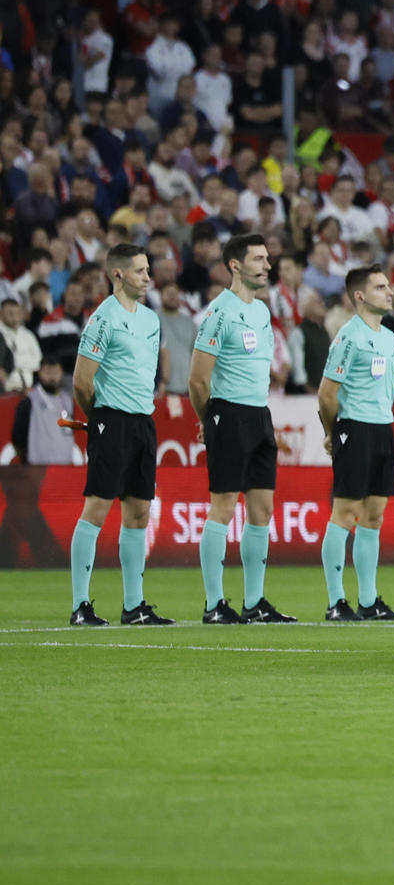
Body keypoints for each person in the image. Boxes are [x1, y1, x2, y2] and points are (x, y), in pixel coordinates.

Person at [191, 233, 294, 624]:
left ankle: (254, 602)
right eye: (258, 259)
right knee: (223, 506)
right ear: (235, 265)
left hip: (259, 415)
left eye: (267, 258)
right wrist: (209, 419)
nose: (267, 266)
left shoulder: (262, 312)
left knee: (262, 509)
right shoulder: (220, 312)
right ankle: (214, 604)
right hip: (228, 414)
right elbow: (198, 379)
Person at [67, 244, 169, 627]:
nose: (148, 277)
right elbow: (81, 381)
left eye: (148, 270)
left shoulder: (150, 319)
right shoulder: (102, 319)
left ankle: (134, 606)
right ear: (118, 275)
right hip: (111, 419)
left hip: (144, 421)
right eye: (141, 271)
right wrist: (100, 418)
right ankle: (81, 606)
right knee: (96, 507)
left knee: (139, 512)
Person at [318, 267, 394, 623]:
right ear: (359, 295)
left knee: (373, 516)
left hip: (383, 429)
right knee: (345, 513)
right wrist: (332, 431)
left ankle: (369, 601)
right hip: (353, 428)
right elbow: (327, 394)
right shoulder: (347, 337)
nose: (390, 291)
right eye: (380, 286)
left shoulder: (389, 338)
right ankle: (336, 601)